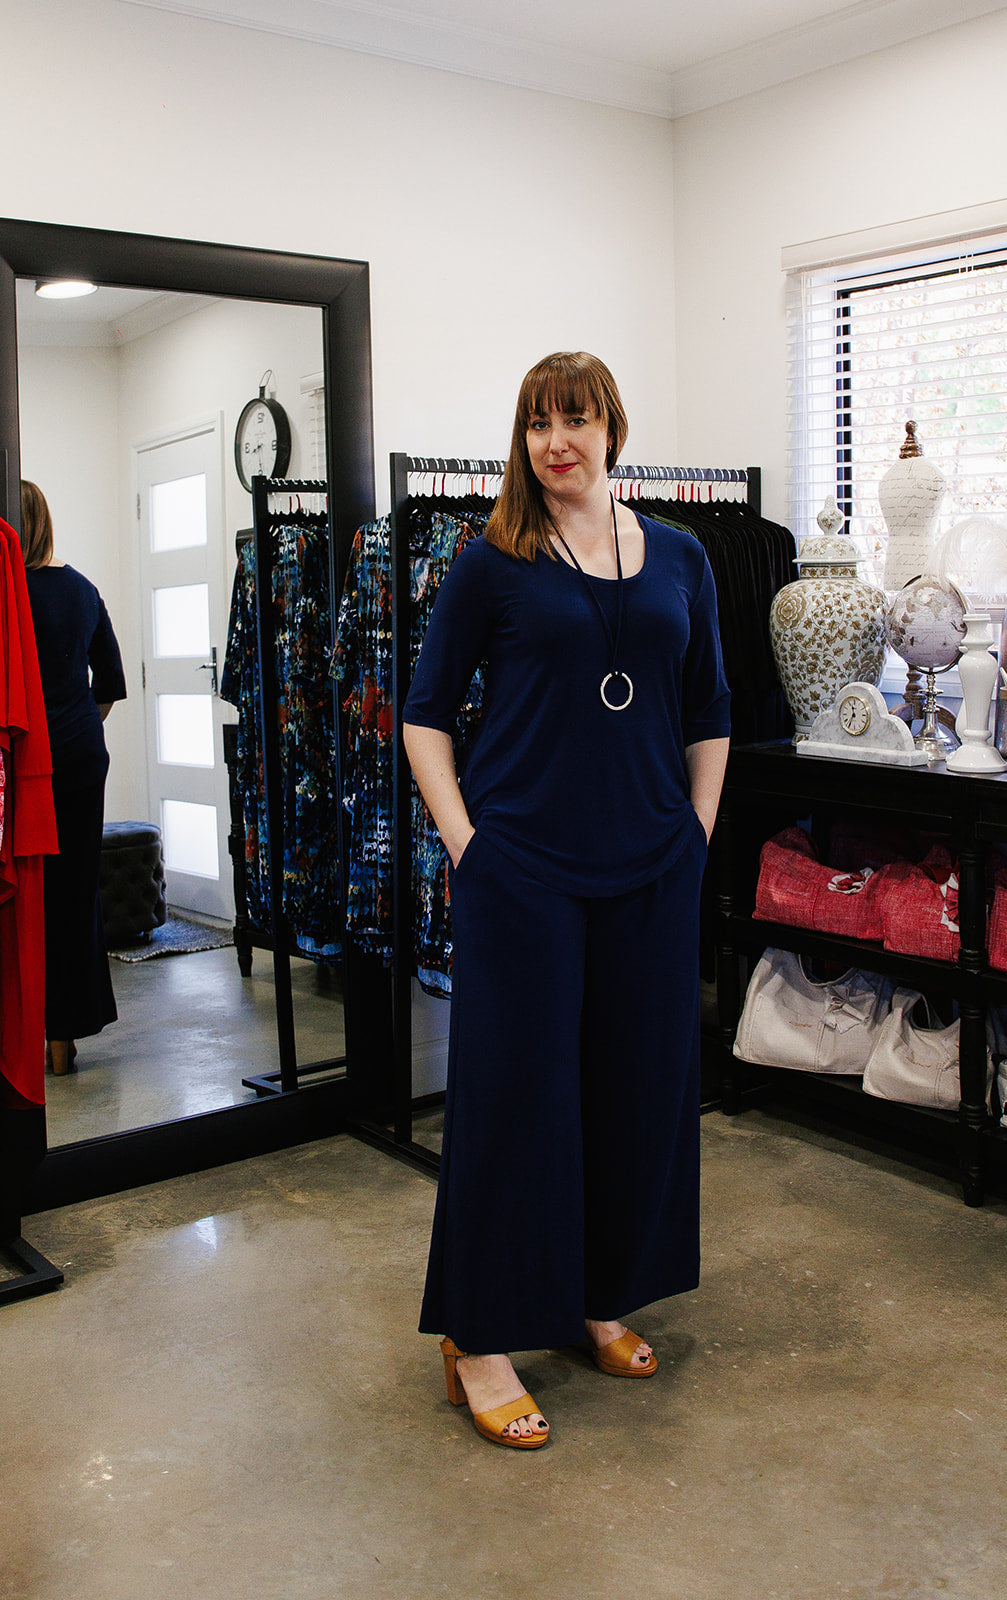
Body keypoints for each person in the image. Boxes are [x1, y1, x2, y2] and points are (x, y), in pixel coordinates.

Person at [403, 352, 731, 1449]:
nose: (556, 442)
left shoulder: (681, 555)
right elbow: (424, 713)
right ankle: (480, 1337)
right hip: (525, 871)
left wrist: (695, 832)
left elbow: (709, 708)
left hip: (650, 865)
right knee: (514, 1099)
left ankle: (598, 1296)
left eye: (575, 419)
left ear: (611, 430)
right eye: (538, 423)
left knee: (634, 1090)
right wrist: (467, 844)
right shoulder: (492, 560)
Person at [19, 481, 126, 1077]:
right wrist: (75, 726)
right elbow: (108, 684)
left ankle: (34, 1032)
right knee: (75, 893)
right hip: (81, 755)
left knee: (27, 893)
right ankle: (65, 1037)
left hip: (26, 761)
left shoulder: (11, 593)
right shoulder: (83, 589)